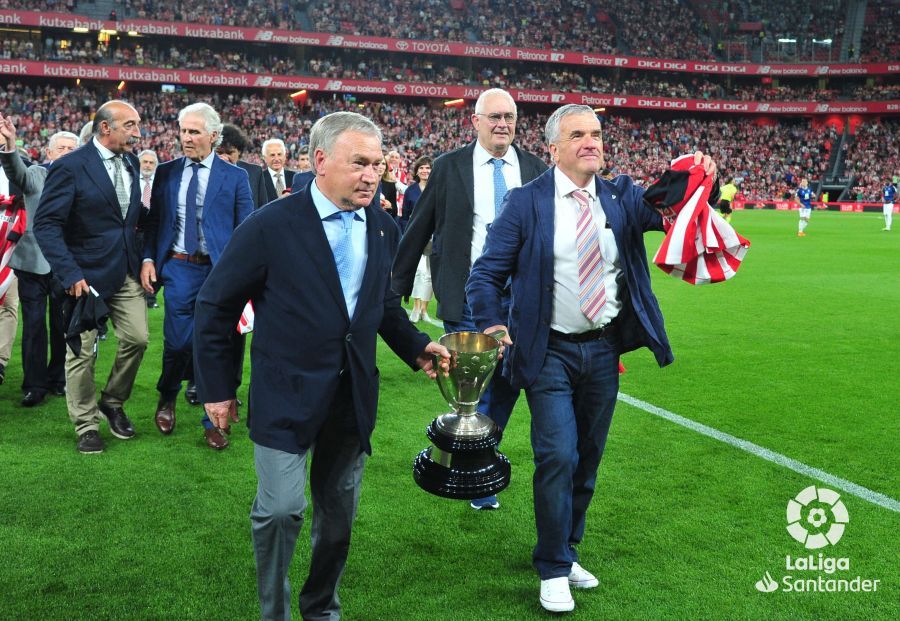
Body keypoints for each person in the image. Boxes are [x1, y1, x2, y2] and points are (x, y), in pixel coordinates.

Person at [192, 111, 449, 621]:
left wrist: (416, 347)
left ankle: (320, 607)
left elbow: (382, 306)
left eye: (377, 164)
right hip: (284, 393)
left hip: (351, 399)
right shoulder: (270, 225)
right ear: (320, 161)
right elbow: (215, 305)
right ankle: (275, 612)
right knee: (281, 509)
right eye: (360, 163)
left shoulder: (381, 226)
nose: (372, 175)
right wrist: (218, 389)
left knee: (338, 518)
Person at [467, 104, 720, 613]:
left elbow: (672, 206)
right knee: (557, 454)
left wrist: (700, 174)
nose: (591, 142)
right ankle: (553, 568)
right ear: (553, 148)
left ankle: (566, 546)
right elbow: (485, 274)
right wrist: (493, 324)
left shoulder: (621, 196)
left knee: (587, 458)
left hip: (603, 350)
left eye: (597, 133)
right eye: (578, 134)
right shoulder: (525, 202)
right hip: (549, 351)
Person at [392, 87, 548, 510]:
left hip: (520, 299)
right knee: (470, 384)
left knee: (506, 384)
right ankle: (468, 465)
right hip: (466, 294)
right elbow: (420, 226)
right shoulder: (449, 167)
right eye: (494, 116)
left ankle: (479, 460)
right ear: (474, 122)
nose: (502, 124)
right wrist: (395, 289)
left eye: (510, 117)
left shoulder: (536, 168)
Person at [34, 100, 148, 454]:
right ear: (105, 128)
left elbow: (130, 220)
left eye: (137, 125)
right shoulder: (69, 167)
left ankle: (112, 402)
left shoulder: (130, 162)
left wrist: (144, 257)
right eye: (130, 125)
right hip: (84, 277)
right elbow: (47, 224)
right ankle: (86, 425)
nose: (137, 132)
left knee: (138, 339)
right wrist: (69, 273)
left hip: (125, 270)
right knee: (81, 353)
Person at [140, 102, 254, 450]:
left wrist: (245, 274)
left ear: (214, 136)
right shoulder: (166, 172)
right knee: (178, 342)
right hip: (178, 266)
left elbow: (247, 229)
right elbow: (154, 223)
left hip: (220, 272)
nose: (186, 138)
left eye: (194, 132)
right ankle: (167, 395)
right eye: (183, 131)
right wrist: (148, 258)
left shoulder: (236, 177)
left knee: (217, 345)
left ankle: (212, 419)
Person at [0, 114, 75, 407]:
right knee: (33, 326)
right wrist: (8, 143)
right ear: (49, 153)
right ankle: (34, 384)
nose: (68, 153)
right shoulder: (35, 174)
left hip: (65, 264)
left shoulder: (83, 180)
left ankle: (58, 379)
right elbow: (14, 169)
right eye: (62, 148)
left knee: (62, 325)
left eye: (73, 148)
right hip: (31, 262)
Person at [404, 157, 434, 322]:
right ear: (417, 171)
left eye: (428, 168)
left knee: (430, 274)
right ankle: (415, 308)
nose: (425, 171)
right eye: (422, 168)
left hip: (434, 236)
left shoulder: (436, 188)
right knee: (418, 272)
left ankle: (424, 310)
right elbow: (406, 215)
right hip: (415, 236)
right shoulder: (411, 190)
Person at [217, 124, 270, 208]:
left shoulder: (255, 172)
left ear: (240, 152)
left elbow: (262, 209)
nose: (224, 158)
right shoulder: (202, 172)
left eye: (229, 152)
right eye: (219, 152)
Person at [137, 149, 160, 309]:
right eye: (144, 161)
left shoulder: (160, 182)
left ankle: (150, 298)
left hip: (154, 229)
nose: (147, 165)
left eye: (151, 162)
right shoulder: (130, 179)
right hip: (135, 230)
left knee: (151, 261)